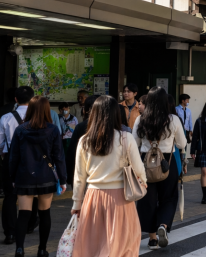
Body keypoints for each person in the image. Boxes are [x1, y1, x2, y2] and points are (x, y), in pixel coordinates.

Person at [71, 95, 146, 257]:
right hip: (121, 198)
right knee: (122, 243)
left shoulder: (84, 141)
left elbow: (79, 177)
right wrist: (144, 183)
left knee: (93, 244)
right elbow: (139, 168)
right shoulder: (126, 138)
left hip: (93, 197)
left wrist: (77, 203)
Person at [9, 95, 67, 257]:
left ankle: (19, 249)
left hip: (24, 177)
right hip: (46, 177)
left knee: (23, 214)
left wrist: (13, 178)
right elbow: (59, 157)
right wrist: (63, 179)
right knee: (44, 213)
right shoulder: (53, 130)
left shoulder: (20, 130)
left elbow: (14, 157)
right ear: (47, 110)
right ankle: (42, 249)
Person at [133, 87, 187, 249]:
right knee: (168, 197)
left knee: (147, 200)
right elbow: (182, 144)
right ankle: (163, 225)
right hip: (166, 163)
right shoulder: (173, 119)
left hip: (145, 163)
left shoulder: (140, 119)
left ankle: (152, 239)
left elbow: (134, 143)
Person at [0, 86, 37, 246]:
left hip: (10, 160)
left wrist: (5, 154)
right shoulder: (38, 117)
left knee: (10, 196)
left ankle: (10, 233)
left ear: (16, 99)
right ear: (32, 99)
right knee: (32, 193)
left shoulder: (6, 117)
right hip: (33, 161)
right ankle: (30, 224)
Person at [66, 95, 98, 186]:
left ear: (85, 110)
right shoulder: (113, 128)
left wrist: (70, 176)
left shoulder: (81, 127)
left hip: (84, 172)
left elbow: (72, 152)